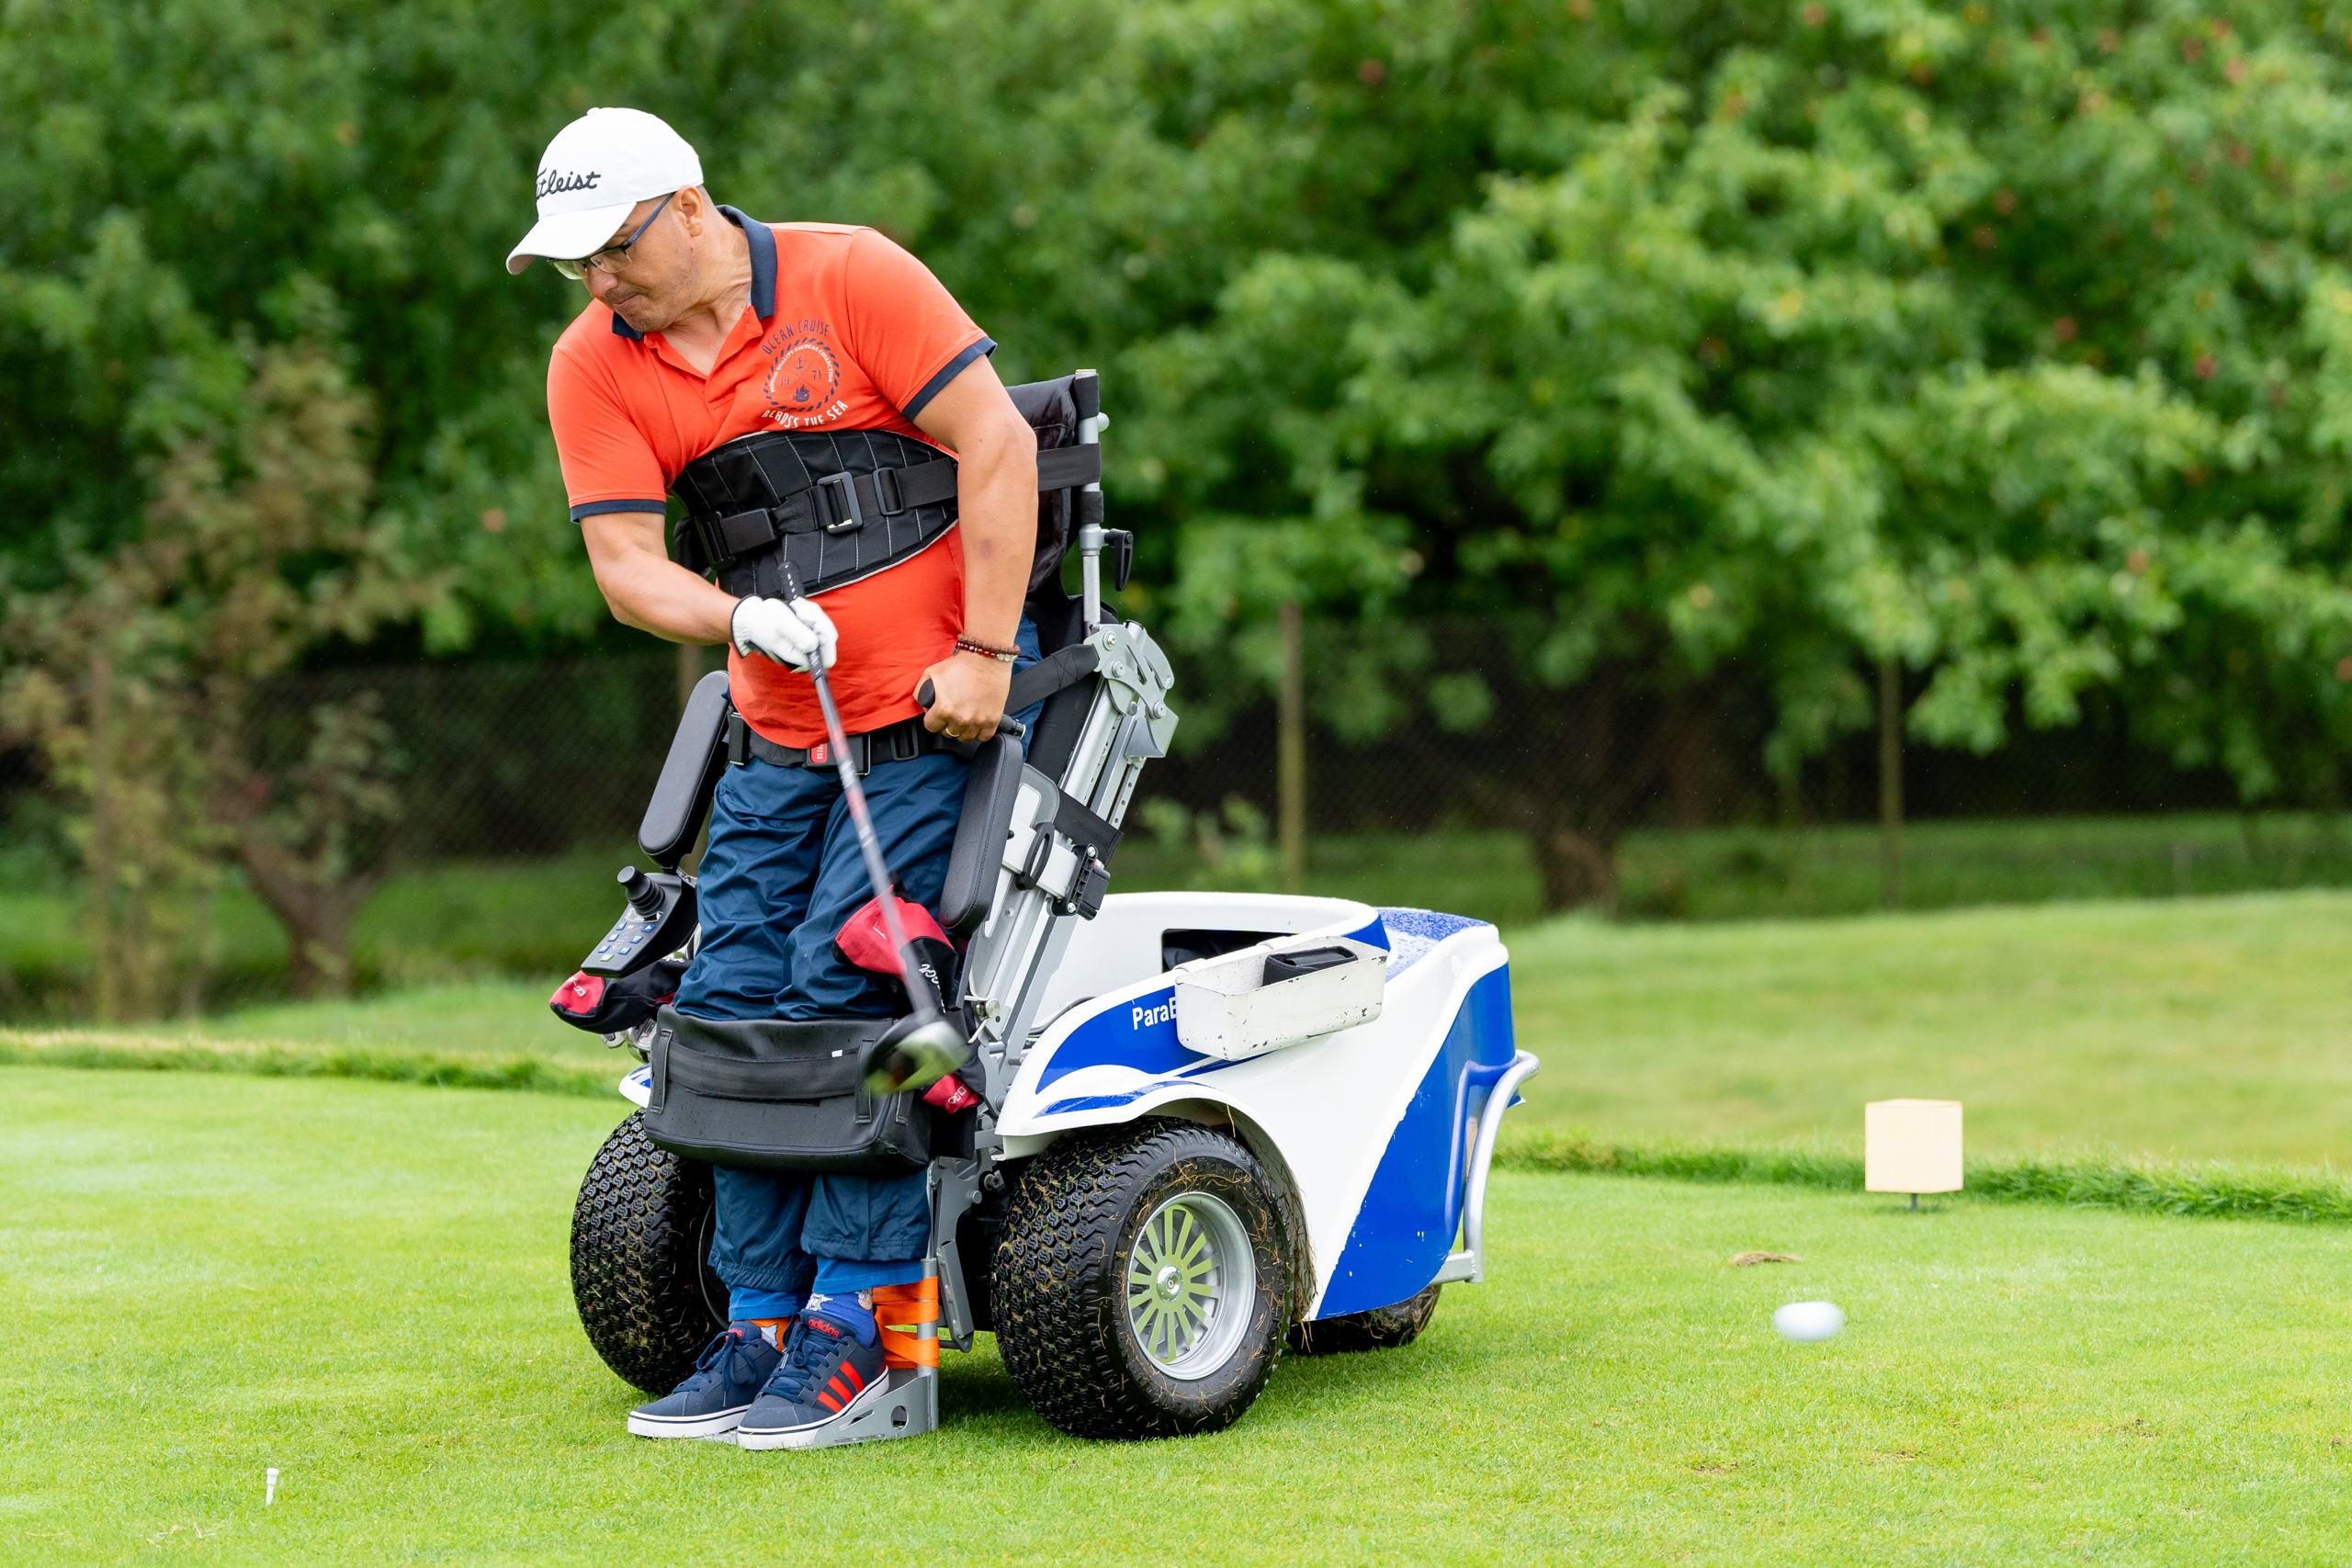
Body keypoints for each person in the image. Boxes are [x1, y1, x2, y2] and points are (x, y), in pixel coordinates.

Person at [508, 107, 1038, 1449]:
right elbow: (628, 568)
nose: (599, 281)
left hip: (929, 719)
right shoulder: (595, 363)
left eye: (614, 250)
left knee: (847, 994)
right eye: (577, 263)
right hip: (775, 728)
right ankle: (758, 1322)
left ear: (688, 208)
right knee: (732, 1004)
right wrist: (736, 619)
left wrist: (984, 649)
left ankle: (868, 1328)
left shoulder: (851, 275)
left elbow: (998, 444)